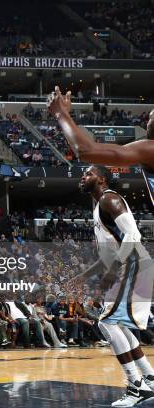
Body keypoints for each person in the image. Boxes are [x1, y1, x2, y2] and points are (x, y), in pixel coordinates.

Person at [73, 165, 154, 407]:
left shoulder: (110, 199)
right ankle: (148, 377)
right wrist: (84, 275)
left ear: (101, 179)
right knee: (117, 323)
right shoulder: (98, 206)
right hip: (133, 266)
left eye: (88, 173)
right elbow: (109, 253)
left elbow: (133, 235)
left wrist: (113, 268)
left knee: (106, 323)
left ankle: (135, 385)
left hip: (133, 266)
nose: (83, 177)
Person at [48, 87, 154, 204]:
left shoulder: (150, 148)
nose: (146, 122)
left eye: (150, 118)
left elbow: (85, 151)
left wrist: (61, 114)